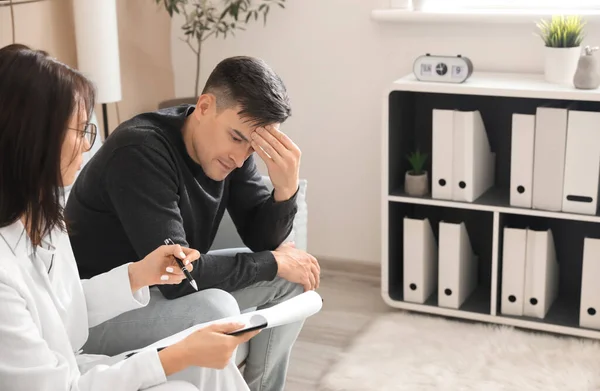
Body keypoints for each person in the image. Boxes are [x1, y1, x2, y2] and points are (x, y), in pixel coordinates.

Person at [0, 43, 261, 391]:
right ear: (33, 136)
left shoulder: (44, 220)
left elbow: (67, 310)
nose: (87, 145)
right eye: (79, 130)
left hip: (78, 369)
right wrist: (176, 355)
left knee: (211, 369)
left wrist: (139, 274)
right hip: (69, 383)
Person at [64, 56, 321, 391]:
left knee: (296, 276)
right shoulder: (140, 151)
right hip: (99, 312)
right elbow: (178, 277)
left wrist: (285, 190)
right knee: (217, 306)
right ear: (204, 106)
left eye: (252, 147)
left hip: (164, 291)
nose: (241, 157)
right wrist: (272, 262)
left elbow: (263, 240)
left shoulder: (232, 152)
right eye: (236, 137)